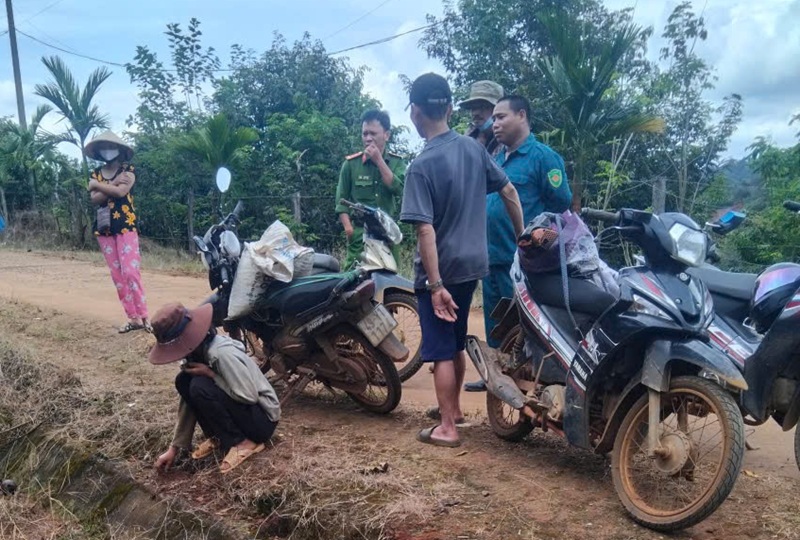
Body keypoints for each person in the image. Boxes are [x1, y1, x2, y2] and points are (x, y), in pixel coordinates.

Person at [400, 73, 524, 448]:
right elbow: (509, 190)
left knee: (438, 349)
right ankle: (451, 412)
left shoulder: (420, 166)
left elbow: (425, 232)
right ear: (451, 108)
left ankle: (448, 429)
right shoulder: (474, 150)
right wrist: (522, 239)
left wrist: (435, 284)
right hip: (474, 263)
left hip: (443, 268)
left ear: (415, 112)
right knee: (453, 341)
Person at [463, 95, 573, 392]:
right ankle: (496, 377)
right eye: (494, 118)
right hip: (491, 256)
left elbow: (560, 210)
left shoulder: (543, 157)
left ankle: (529, 380)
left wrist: (539, 244)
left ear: (522, 115)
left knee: (525, 324)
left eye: (501, 117)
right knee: (496, 320)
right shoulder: (497, 158)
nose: (494, 123)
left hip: (523, 261)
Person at [151, 302, 281, 475]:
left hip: (262, 420)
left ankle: (244, 443)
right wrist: (175, 448)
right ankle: (218, 438)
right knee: (184, 380)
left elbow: (248, 396)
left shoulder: (221, 354)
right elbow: (187, 404)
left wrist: (211, 375)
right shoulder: (197, 352)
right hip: (246, 412)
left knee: (200, 386)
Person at [85, 131, 150, 333]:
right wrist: (110, 185)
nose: (107, 150)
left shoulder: (128, 171)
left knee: (131, 272)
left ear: (120, 150)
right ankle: (133, 318)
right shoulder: (96, 173)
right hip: (105, 229)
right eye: (103, 147)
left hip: (125, 226)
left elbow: (121, 192)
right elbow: (95, 199)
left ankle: (145, 316)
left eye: (110, 146)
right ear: (98, 152)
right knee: (117, 275)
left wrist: (100, 186)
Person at [335, 109, 406, 270]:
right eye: (364, 134)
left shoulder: (396, 163)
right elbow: (341, 202)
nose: (368, 138)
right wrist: (349, 231)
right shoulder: (351, 165)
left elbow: (399, 189)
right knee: (351, 287)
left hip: (387, 235)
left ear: (386, 135)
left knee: (390, 287)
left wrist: (379, 161)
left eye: (373, 133)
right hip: (359, 236)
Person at [458, 80, 504, 157]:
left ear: (496, 109)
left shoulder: (507, 140)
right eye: (473, 108)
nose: (475, 113)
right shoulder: (467, 138)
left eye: (483, 107)